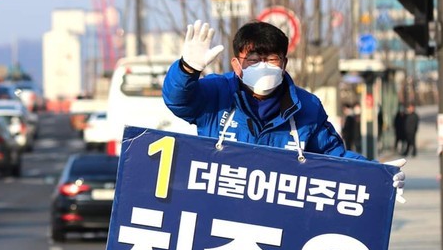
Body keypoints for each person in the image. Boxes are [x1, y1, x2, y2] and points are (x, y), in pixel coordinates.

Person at [162, 20, 405, 198]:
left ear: (284, 63)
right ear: (237, 64)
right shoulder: (218, 93)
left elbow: (335, 158)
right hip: (218, 208)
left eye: (272, 59)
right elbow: (178, 101)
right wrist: (187, 69)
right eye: (254, 59)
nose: (263, 65)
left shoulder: (307, 107)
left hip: (279, 221)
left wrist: (377, 175)